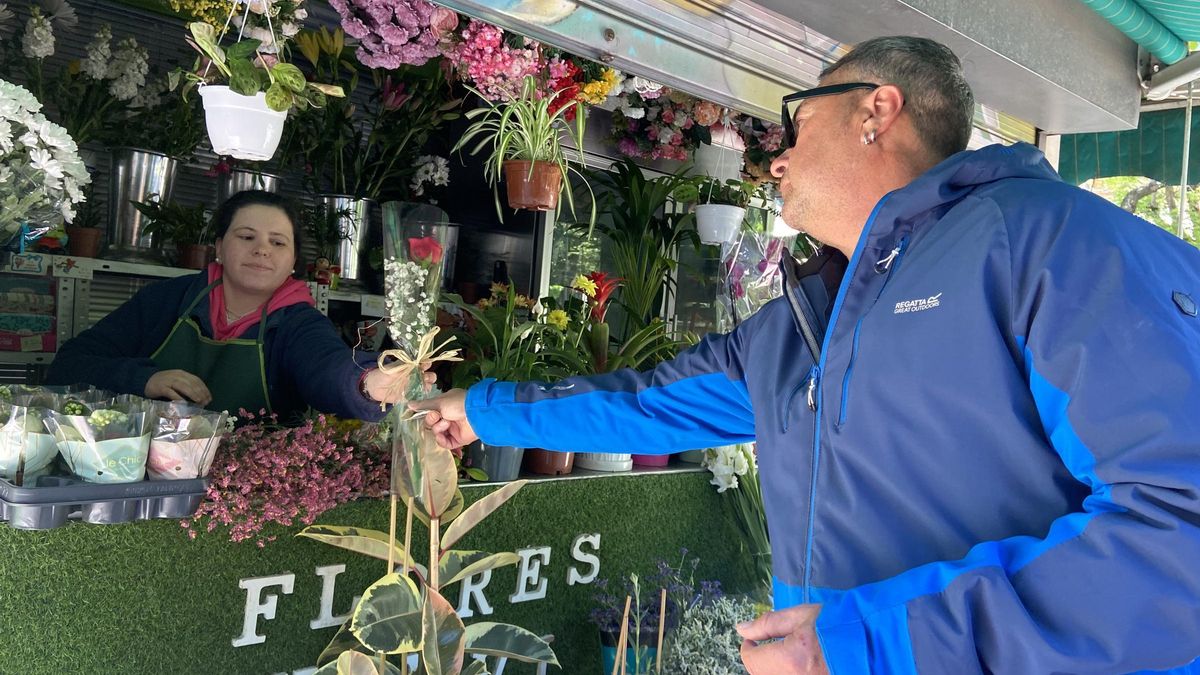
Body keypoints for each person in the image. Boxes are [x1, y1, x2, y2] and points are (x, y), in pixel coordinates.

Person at [411, 36, 1200, 673]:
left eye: (796, 124)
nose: (776, 158)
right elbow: (649, 401)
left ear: (876, 111)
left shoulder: (1052, 240)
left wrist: (870, 646)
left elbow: (1178, 530)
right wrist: (477, 408)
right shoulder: (802, 319)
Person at [47, 190, 414, 422]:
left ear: (293, 262)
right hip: (146, 474)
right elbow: (70, 365)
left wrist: (368, 383)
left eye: (278, 242)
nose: (262, 249)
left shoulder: (298, 323)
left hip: (251, 493)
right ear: (219, 248)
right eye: (247, 236)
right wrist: (145, 379)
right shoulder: (167, 300)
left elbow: (329, 369)